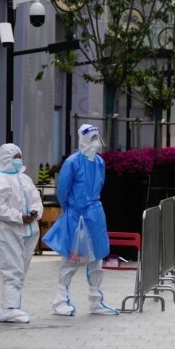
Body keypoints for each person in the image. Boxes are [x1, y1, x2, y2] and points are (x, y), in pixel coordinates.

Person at [42, 124, 118, 316]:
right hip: (77, 215)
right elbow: (62, 190)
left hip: (95, 215)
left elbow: (99, 185)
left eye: (96, 137)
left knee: (97, 258)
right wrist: (71, 211)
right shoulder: (72, 162)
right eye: (92, 137)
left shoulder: (99, 162)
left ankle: (96, 300)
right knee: (71, 259)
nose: (95, 141)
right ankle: (60, 301)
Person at [0, 143, 43, 323]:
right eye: (14, 157)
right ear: (5, 158)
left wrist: (34, 213)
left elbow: (35, 199)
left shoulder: (24, 179)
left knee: (21, 269)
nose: (18, 160)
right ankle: (9, 308)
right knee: (12, 270)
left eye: (19, 156)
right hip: (8, 231)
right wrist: (18, 217)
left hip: (29, 230)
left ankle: (11, 307)